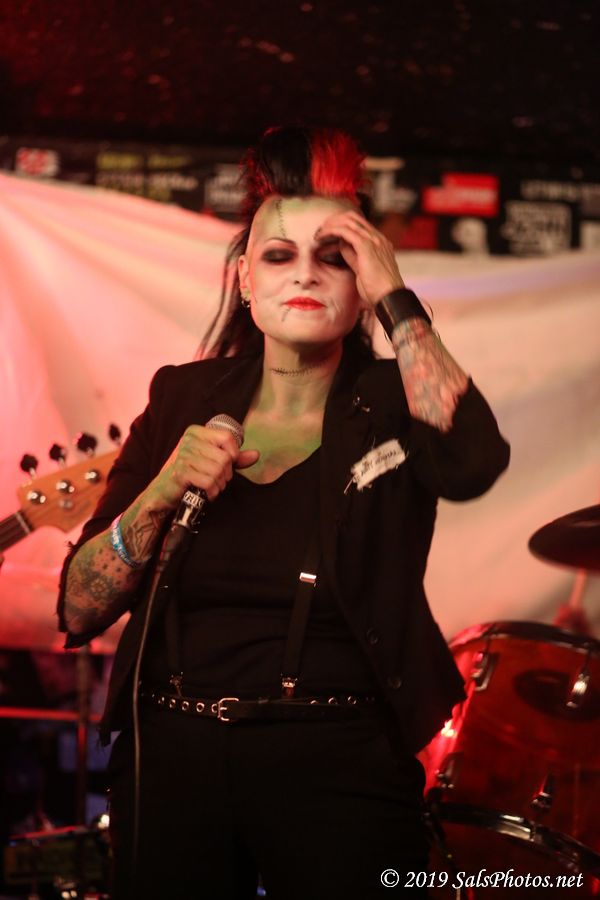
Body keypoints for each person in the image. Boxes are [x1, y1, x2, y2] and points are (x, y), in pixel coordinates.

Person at [57, 126, 509, 900]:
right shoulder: (182, 396)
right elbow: (77, 607)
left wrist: (395, 297)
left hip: (340, 755)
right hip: (172, 753)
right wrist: (160, 492)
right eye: (279, 255)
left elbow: (473, 463)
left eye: (335, 256)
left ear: (361, 283)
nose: (305, 273)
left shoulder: (394, 399)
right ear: (245, 279)